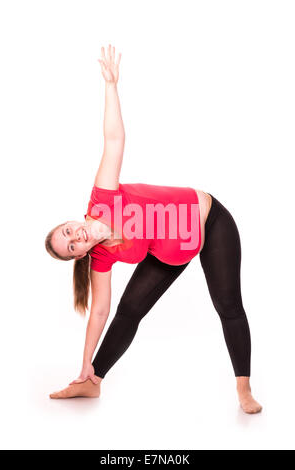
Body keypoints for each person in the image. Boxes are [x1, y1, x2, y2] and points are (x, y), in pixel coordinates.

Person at [45, 45, 262, 414]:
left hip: (210, 222)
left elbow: (114, 140)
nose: (73, 238)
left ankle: (244, 389)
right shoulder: (100, 258)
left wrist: (111, 86)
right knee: (128, 311)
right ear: (79, 256)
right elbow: (99, 312)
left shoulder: (103, 197)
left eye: (67, 231)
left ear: (73, 223)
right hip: (170, 255)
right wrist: (84, 365)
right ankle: (91, 382)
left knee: (228, 304)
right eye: (69, 247)